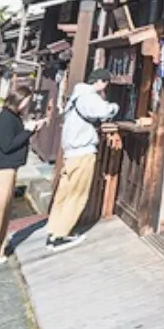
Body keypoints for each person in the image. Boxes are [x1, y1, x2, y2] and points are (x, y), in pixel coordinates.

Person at [45, 70, 120, 250]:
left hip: (70, 153)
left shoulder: (76, 95)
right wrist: (114, 107)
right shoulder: (89, 96)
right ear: (101, 82)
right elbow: (103, 110)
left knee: (64, 193)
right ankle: (61, 235)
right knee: (77, 194)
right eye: (106, 84)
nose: (105, 88)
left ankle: (54, 230)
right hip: (82, 152)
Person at [0, 86, 45, 268]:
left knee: (3, 212)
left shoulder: (10, 117)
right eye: (25, 102)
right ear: (19, 101)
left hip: (6, 168)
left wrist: (30, 129)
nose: (26, 106)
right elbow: (8, 145)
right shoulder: (7, 118)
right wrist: (28, 131)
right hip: (2, 169)